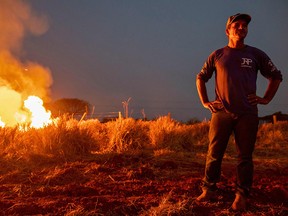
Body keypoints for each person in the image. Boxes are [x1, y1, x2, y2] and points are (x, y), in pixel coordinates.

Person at [195, 13, 283, 211]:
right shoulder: (218, 55)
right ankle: (209, 189)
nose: (241, 28)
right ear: (228, 31)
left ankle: (241, 195)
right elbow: (201, 77)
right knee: (214, 153)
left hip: (247, 114)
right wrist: (205, 101)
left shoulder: (256, 54)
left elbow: (276, 76)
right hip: (221, 113)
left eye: (245, 25)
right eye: (237, 25)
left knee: (244, 157)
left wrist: (266, 99)